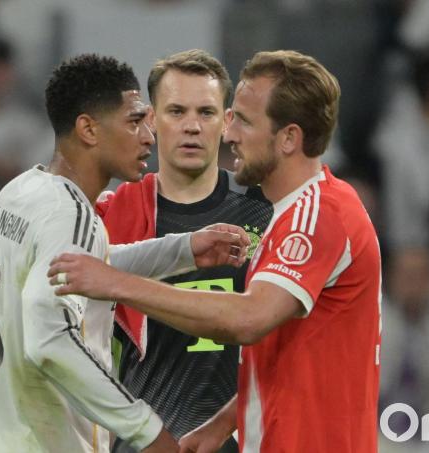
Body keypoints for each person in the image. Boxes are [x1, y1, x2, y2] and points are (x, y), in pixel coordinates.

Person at [49, 50, 382, 452]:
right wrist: (223, 423)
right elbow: (289, 352)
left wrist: (118, 282)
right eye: (176, 111)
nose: (229, 134)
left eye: (238, 119)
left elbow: (249, 318)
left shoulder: (315, 217)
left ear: (289, 138)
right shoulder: (288, 216)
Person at [0, 54, 250, 453]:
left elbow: (82, 269)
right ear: (89, 129)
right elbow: (51, 337)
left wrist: (182, 249)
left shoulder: (22, 191)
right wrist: (147, 430)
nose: (148, 135)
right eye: (134, 121)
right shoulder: (73, 213)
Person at [97, 49, 272, 453]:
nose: (192, 126)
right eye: (176, 112)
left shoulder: (266, 213)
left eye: (206, 113)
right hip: (144, 442)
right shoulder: (112, 216)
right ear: (151, 120)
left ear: (227, 121)